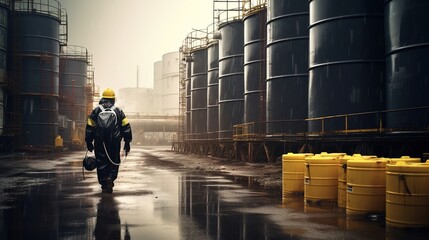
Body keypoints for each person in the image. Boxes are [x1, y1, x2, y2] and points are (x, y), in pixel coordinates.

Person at [85, 88, 132, 193]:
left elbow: (90, 127)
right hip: (114, 141)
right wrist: (127, 141)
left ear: (103, 98)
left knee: (101, 161)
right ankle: (111, 177)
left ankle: (103, 183)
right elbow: (126, 127)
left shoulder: (96, 111)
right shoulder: (118, 111)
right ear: (113, 99)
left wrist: (89, 141)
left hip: (99, 141)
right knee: (114, 160)